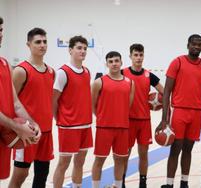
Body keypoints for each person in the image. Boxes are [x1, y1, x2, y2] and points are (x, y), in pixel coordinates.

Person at [156, 34, 201, 188]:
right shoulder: (177, 62)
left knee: (188, 149)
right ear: (188, 45)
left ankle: (184, 183)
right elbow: (166, 92)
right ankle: (169, 184)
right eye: (194, 44)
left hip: (196, 113)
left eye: (199, 45)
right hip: (179, 111)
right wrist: (164, 118)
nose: (196, 47)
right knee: (176, 148)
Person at [8, 28, 54, 188]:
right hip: (27, 133)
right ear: (28, 44)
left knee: (42, 176)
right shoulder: (21, 71)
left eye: (45, 41)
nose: (42, 45)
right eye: (38, 42)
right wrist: (18, 126)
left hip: (46, 132)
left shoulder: (51, 71)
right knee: (20, 176)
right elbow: (10, 101)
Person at [0, 16, 41, 182]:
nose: (0, 34)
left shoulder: (4, 64)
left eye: (1, 30)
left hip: (3, 135)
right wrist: (16, 127)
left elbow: (15, 103)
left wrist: (32, 123)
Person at [53, 36, 93, 188]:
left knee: (80, 162)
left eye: (84, 48)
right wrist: (61, 120)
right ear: (70, 50)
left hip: (85, 125)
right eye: (79, 48)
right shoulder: (62, 72)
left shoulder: (87, 71)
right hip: (68, 127)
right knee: (64, 163)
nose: (82, 51)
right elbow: (53, 100)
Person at [121, 43, 163, 188]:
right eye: (135, 55)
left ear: (143, 56)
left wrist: (159, 102)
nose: (138, 58)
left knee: (144, 154)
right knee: (125, 154)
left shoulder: (149, 75)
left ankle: (143, 183)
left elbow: (164, 91)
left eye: (141, 55)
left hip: (144, 121)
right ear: (130, 56)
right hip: (128, 121)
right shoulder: (122, 73)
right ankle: (121, 182)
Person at [91, 51, 135, 188]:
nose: (114, 64)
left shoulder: (130, 82)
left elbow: (128, 104)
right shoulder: (99, 82)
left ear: (121, 62)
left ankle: (117, 185)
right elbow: (93, 105)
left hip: (123, 128)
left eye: (116, 61)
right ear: (107, 64)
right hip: (104, 128)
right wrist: (103, 118)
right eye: (111, 61)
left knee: (120, 160)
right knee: (99, 160)